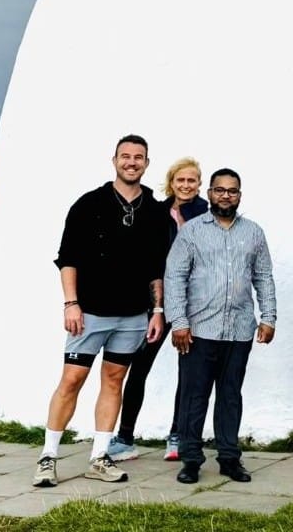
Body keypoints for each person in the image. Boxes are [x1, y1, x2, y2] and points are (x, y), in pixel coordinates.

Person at [32, 135, 171, 487]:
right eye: (125, 156)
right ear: (114, 161)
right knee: (72, 381)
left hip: (132, 316)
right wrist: (71, 303)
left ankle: (99, 456)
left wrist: (157, 310)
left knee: (113, 381)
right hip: (89, 313)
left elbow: (157, 267)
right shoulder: (88, 204)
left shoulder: (155, 212)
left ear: (147, 163)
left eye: (138, 157)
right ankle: (48, 457)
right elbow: (68, 259)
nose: (132, 162)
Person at [164, 167, 277, 484]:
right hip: (198, 330)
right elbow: (175, 277)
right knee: (194, 396)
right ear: (209, 193)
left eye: (232, 190)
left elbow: (263, 277)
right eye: (219, 189)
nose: (226, 195)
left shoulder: (253, 232)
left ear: (239, 195)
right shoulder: (192, 231)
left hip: (239, 330)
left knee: (231, 396)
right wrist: (179, 322)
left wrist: (268, 317)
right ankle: (191, 460)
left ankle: (229, 458)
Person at [108, 156, 210, 462]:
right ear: (172, 182)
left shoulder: (207, 214)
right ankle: (125, 436)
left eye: (191, 180)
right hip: (157, 303)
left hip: (193, 304)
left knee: (188, 372)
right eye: (181, 180)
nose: (186, 185)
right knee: (139, 366)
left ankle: (177, 434)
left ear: (199, 183)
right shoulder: (155, 211)